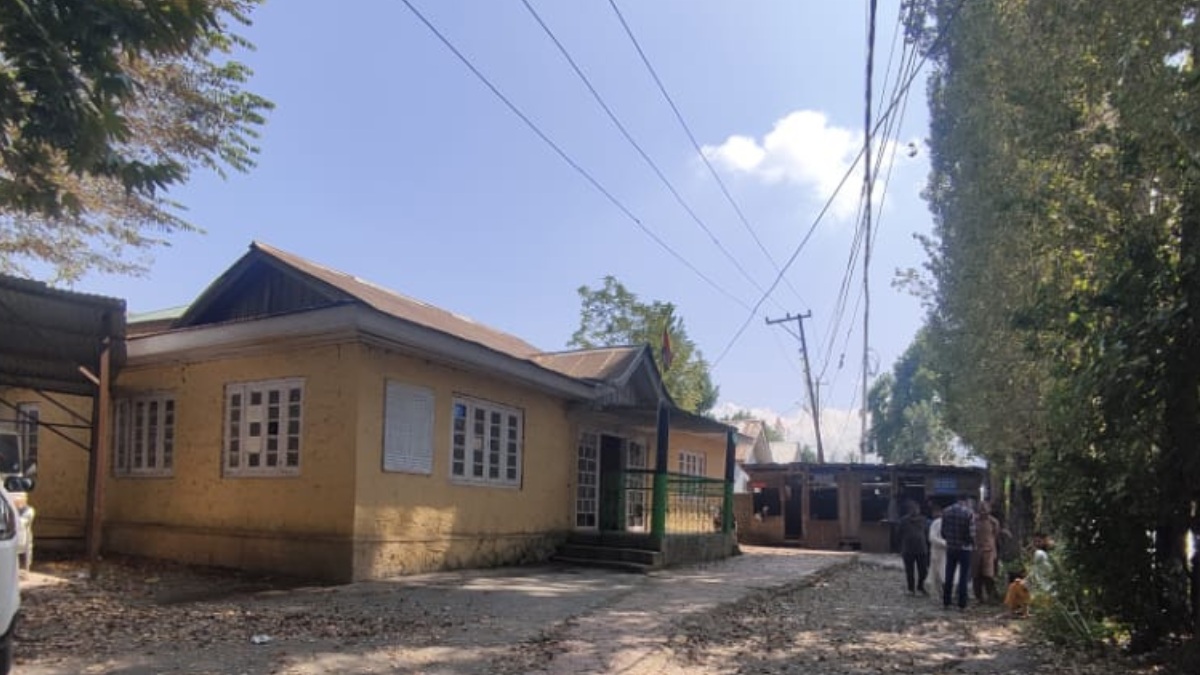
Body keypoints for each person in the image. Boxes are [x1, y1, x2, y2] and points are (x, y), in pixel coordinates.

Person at [941, 493, 975, 610]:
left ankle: (946, 601)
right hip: (964, 549)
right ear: (965, 501)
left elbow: (943, 532)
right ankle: (962, 603)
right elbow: (971, 533)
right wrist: (971, 543)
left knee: (949, 574)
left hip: (951, 547)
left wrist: (950, 540)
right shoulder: (968, 513)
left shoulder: (946, 511)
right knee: (963, 576)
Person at [972, 500, 1001, 603]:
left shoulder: (994, 522)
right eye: (980, 509)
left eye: (985, 509)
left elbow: (995, 536)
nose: (982, 511)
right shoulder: (973, 521)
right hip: (976, 551)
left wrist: (994, 552)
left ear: (989, 510)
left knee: (989, 576)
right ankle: (978, 597)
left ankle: (991, 596)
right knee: (976, 576)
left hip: (989, 552)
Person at [899, 500, 929, 595]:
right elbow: (898, 534)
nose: (915, 511)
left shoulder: (924, 520)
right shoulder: (903, 521)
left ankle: (920, 586)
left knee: (923, 570)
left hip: (921, 549)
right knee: (910, 571)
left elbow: (927, 533)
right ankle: (911, 588)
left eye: (917, 509)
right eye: (913, 509)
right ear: (909, 510)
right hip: (908, 549)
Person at [928, 505, 946, 599]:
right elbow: (932, 537)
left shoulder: (948, 522)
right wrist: (945, 543)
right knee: (937, 573)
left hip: (947, 553)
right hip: (937, 552)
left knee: (945, 573)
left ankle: (945, 592)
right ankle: (939, 593)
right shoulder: (936, 523)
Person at [12, 492, 34, 571]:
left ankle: (26, 569)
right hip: (12, 537)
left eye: (19, 501)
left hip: (23, 537)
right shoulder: (10, 509)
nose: (18, 504)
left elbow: (22, 522)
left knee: (26, 553)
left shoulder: (29, 510)